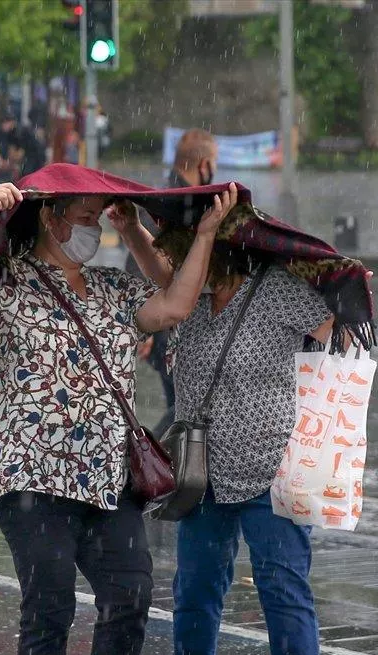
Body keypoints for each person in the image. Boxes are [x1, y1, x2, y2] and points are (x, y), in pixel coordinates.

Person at [0, 177, 239, 655]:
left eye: (100, 219)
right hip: (32, 475)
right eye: (86, 216)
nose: (94, 229)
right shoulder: (11, 282)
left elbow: (177, 301)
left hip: (109, 479)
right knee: (49, 602)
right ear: (52, 218)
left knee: (131, 594)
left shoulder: (111, 288)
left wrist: (170, 231)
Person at [120, 210, 337, 655]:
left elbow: (335, 331)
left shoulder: (277, 294)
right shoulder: (188, 299)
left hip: (272, 470)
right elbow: (160, 272)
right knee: (194, 591)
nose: (178, 263)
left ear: (222, 252)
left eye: (189, 252)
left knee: (283, 595)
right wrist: (129, 229)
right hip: (204, 472)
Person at [124, 128, 218, 435]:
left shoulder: (174, 198)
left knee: (183, 406)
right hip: (166, 326)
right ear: (204, 164)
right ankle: (153, 463)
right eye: (213, 163)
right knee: (183, 408)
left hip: (171, 324)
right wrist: (145, 331)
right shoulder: (172, 204)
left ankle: (160, 465)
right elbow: (139, 259)